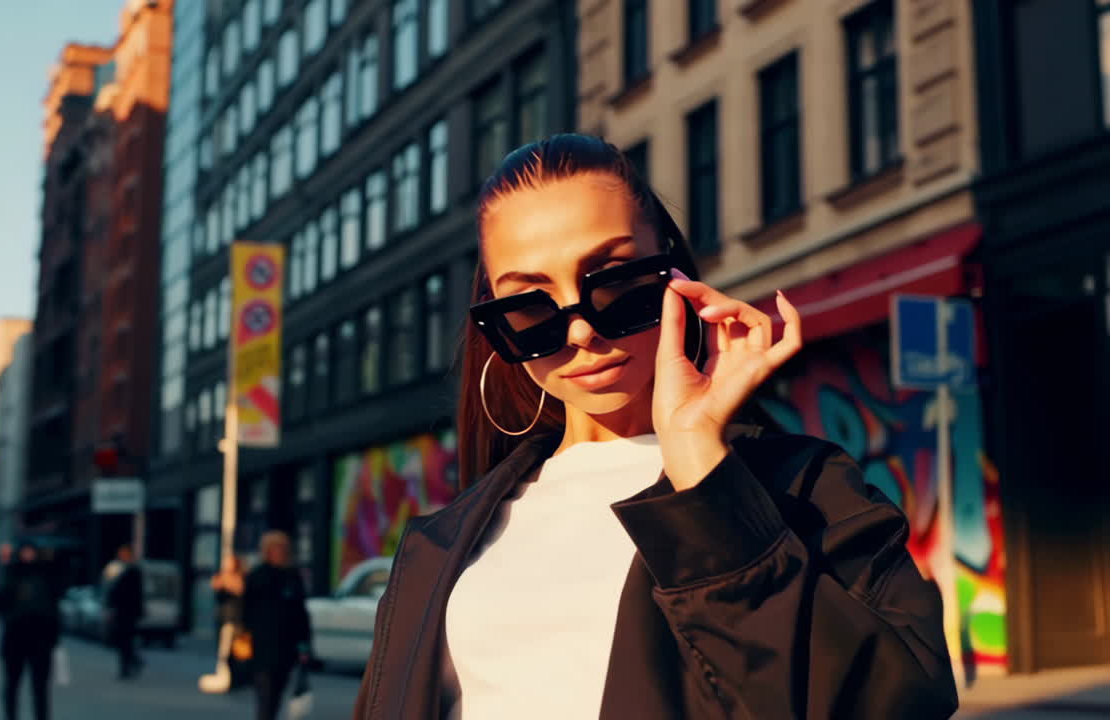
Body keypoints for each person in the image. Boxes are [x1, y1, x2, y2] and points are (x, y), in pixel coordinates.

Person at [350, 135, 958, 719]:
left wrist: (699, 470)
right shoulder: (439, 543)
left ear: (674, 277)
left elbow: (895, 700)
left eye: (615, 284)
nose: (582, 332)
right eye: (531, 309)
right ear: (498, 330)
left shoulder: (800, 488)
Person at [242, 531, 311, 720]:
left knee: (277, 696)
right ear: (267, 551)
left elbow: (301, 613)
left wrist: (305, 646)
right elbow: (245, 612)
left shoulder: (292, 576)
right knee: (265, 696)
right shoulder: (257, 576)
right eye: (275, 548)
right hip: (262, 647)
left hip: (286, 649)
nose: (279, 552)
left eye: (282, 549)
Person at [0, 542, 61, 720]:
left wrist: (53, 636)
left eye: (30, 552)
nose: (28, 556)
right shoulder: (11, 573)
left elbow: (53, 609)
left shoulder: (45, 575)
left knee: (40, 687)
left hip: (40, 639)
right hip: (16, 638)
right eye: (25, 552)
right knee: (12, 685)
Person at [105, 545, 144, 680]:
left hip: (129, 611)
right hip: (120, 610)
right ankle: (131, 662)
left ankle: (127, 666)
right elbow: (110, 587)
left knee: (126, 639)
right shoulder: (116, 569)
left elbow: (137, 593)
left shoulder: (133, 570)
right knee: (123, 639)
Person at [210, 554, 246, 683]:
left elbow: (241, 593)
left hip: (235, 620)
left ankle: (237, 677)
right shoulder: (222, 578)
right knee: (225, 650)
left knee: (236, 651)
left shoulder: (240, 578)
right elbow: (217, 594)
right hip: (225, 618)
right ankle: (229, 676)